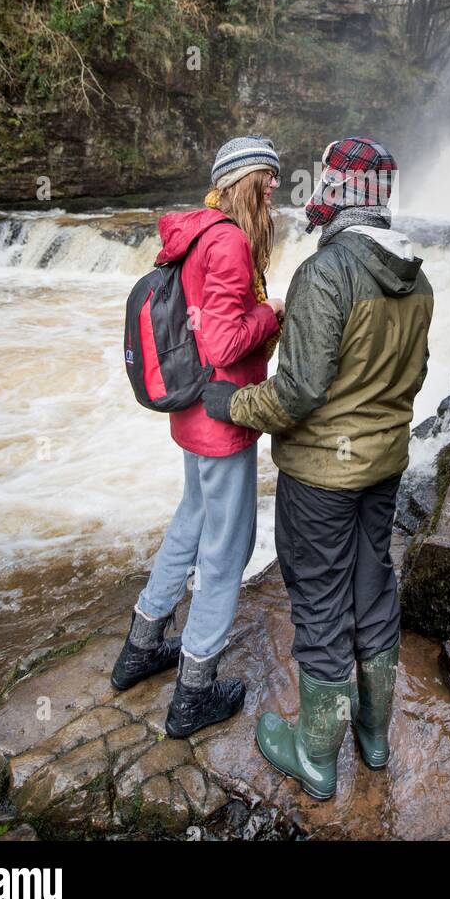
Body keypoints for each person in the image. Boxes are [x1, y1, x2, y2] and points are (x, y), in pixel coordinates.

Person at [199, 136, 433, 800]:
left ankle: (315, 756)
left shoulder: (324, 275)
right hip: (383, 468)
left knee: (321, 605)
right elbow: (411, 378)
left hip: (321, 480)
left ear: (338, 199)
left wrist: (231, 402)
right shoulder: (418, 278)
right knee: (374, 591)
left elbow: (297, 393)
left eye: (326, 185)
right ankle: (375, 737)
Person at [111, 134, 285, 740]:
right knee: (227, 548)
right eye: (267, 177)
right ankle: (194, 692)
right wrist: (276, 314)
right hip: (221, 415)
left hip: (191, 409)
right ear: (242, 181)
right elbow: (223, 342)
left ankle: (141, 647)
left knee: (190, 520)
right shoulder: (232, 242)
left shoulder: (197, 232)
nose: (275, 188)